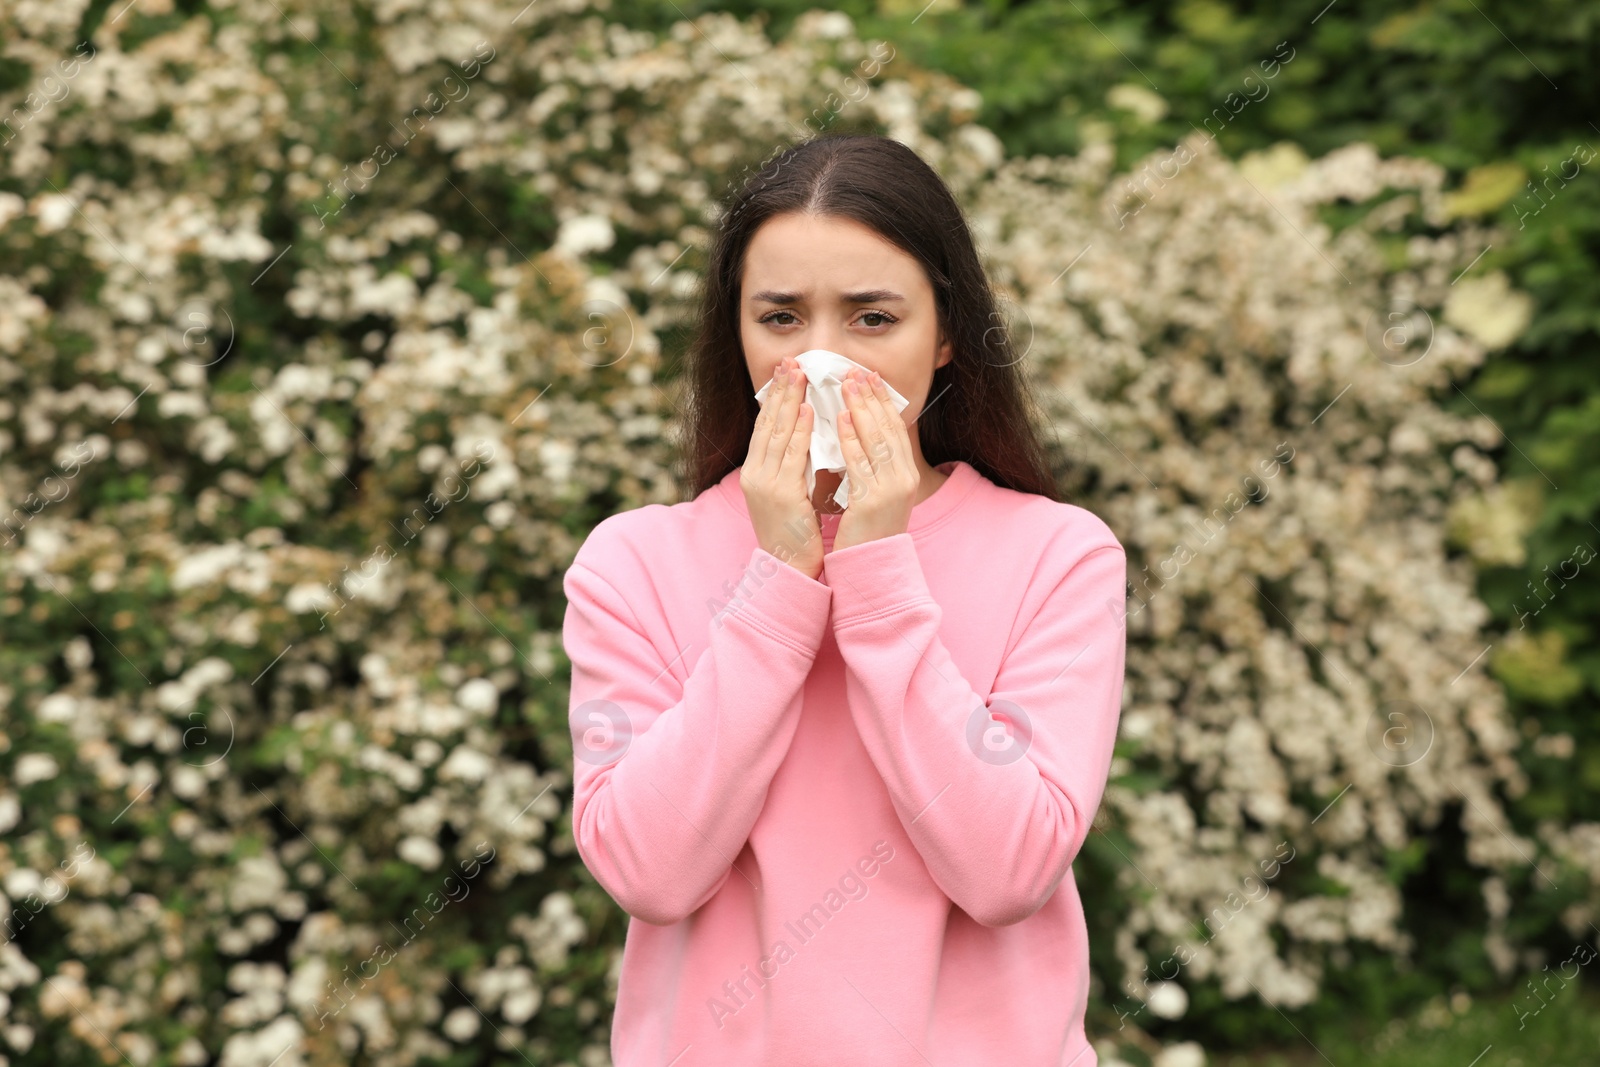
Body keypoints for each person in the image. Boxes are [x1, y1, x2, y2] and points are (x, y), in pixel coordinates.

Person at [562, 133, 1128, 1067]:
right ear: (734, 333)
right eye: (781, 318)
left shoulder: (1057, 556)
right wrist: (779, 578)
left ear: (945, 333)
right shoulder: (634, 562)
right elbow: (647, 871)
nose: (819, 360)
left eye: (872, 319)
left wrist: (878, 574)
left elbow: (1010, 871)